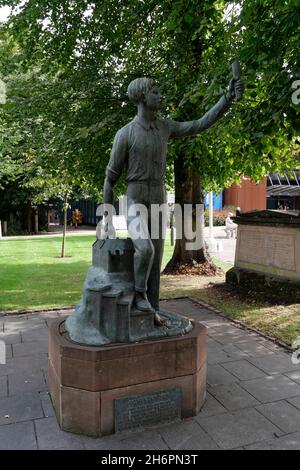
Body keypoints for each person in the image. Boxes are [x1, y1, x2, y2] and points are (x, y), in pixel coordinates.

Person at [102, 75, 244, 325]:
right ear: (143, 97)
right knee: (144, 249)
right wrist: (108, 221)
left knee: (155, 260)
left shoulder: (165, 127)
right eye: (156, 92)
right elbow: (110, 179)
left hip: (157, 197)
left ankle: (152, 311)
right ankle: (139, 296)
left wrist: (227, 98)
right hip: (134, 198)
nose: (161, 96)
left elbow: (199, 124)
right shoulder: (124, 134)